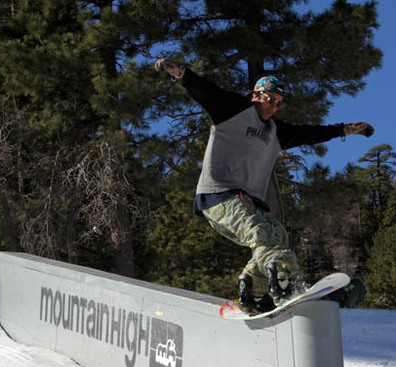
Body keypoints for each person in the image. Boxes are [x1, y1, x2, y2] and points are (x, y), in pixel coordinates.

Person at [155, 58, 374, 312]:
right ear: (255, 96)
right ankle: (288, 286)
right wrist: (182, 74)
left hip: (247, 201)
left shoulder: (275, 131)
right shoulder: (233, 109)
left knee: (277, 234)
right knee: (262, 234)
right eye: (269, 99)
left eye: (278, 103)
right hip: (219, 195)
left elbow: (309, 133)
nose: (273, 107)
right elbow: (207, 92)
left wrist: (345, 130)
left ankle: (250, 286)